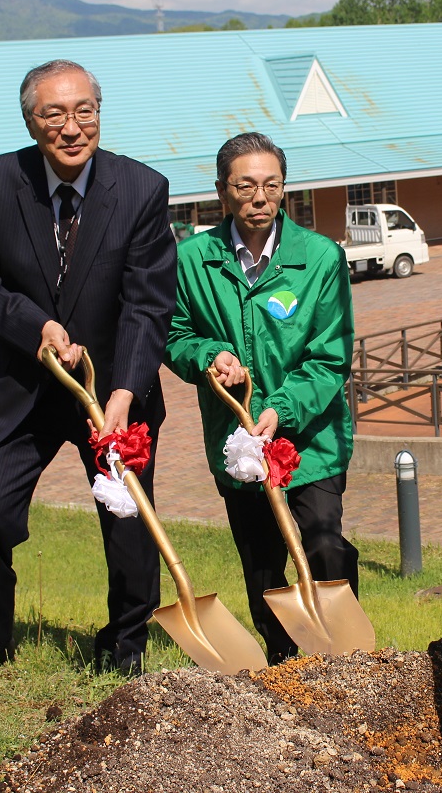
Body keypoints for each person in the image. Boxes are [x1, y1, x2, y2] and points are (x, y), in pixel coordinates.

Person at [0, 59, 176, 675]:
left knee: (128, 522)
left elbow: (148, 305)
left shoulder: (141, 190)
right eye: (54, 114)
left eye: (84, 112)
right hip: (24, 386)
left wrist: (125, 389)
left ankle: (125, 648)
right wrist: (35, 328)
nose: (72, 127)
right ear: (31, 122)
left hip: (112, 393)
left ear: (99, 113)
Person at [165, 131, 359, 665]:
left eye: (272, 185)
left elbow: (330, 357)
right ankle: (282, 666)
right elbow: (175, 334)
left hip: (310, 438)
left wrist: (280, 410)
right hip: (238, 442)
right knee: (262, 560)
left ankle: (344, 663)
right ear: (221, 192)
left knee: (323, 544)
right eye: (245, 186)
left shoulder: (319, 258)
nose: (260, 198)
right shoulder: (192, 260)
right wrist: (208, 356)